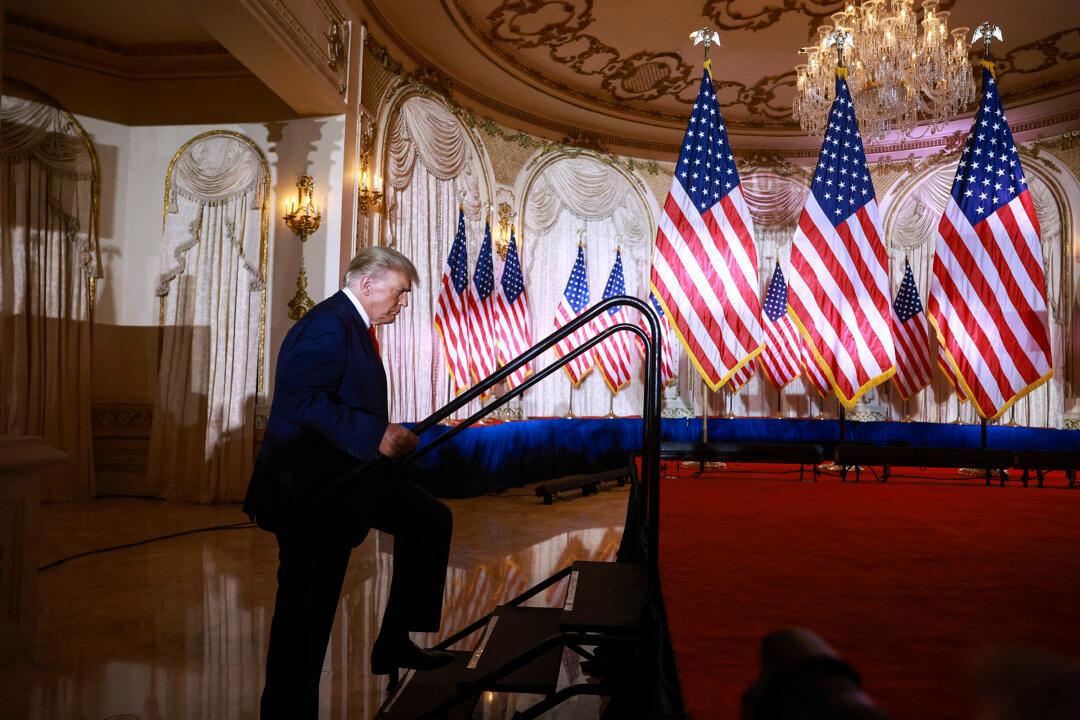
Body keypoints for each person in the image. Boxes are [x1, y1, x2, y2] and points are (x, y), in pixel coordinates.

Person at [244, 246, 454, 720]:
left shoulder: (353, 326)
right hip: (310, 492)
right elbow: (299, 401)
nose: (402, 303)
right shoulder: (327, 325)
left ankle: (394, 641)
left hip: (345, 475)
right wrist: (375, 434)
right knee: (306, 610)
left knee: (428, 518)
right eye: (399, 293)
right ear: (368, 284)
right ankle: (285, 710)